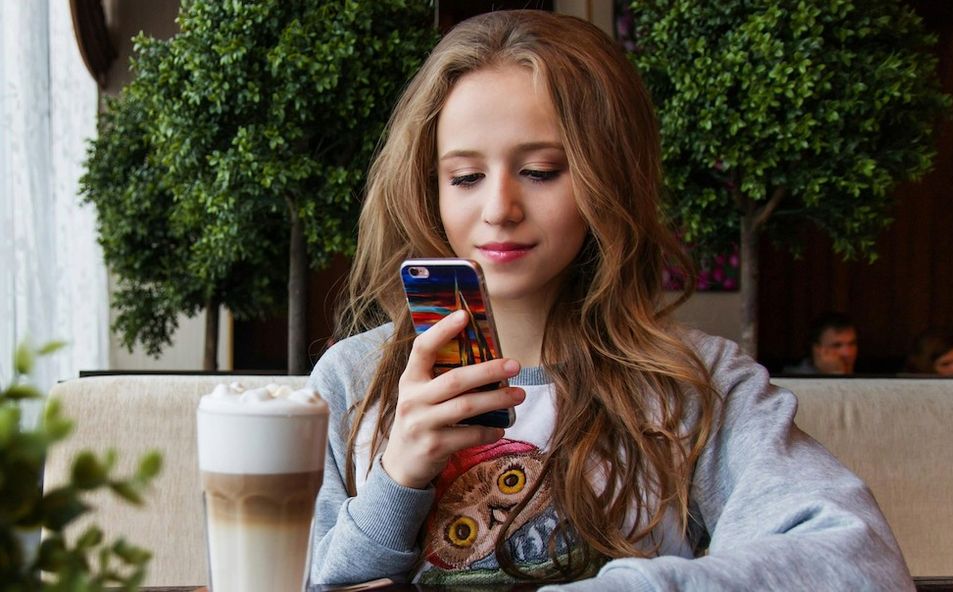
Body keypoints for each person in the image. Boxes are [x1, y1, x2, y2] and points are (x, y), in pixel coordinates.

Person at [307, 10, 912, 590]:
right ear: (428, 188)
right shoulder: (352, 381)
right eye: (465, 177)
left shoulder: (696, 386)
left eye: (542, 170)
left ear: (609, 177)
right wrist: (397, 481)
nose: (498, 210)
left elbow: (858, 561)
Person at [783, 311, 859, 375]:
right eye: (837, 345)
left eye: (852, 344)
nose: (847, 353)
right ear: (816, 349)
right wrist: (835, 374)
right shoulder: (793, 378)